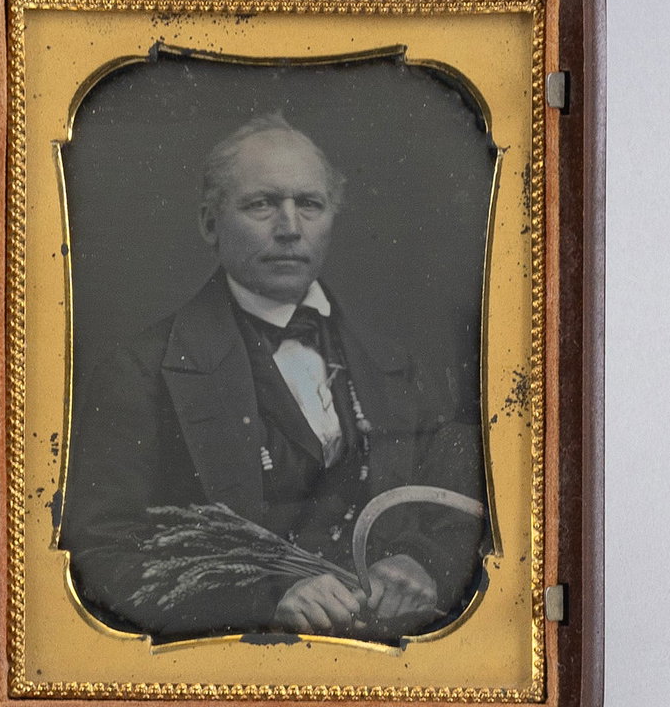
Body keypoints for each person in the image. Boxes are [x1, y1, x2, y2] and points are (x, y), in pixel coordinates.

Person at [61, 114, 484, 643]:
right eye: (262, 204)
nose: (289, 228)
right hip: (234, 665)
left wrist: (426, 564)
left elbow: (465, 499)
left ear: (332, 215)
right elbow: (101, 554)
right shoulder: (140, 373)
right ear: (209, 223)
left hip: (388, 658)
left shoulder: (398, 364)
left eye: (310, 204)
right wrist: (260, 601)